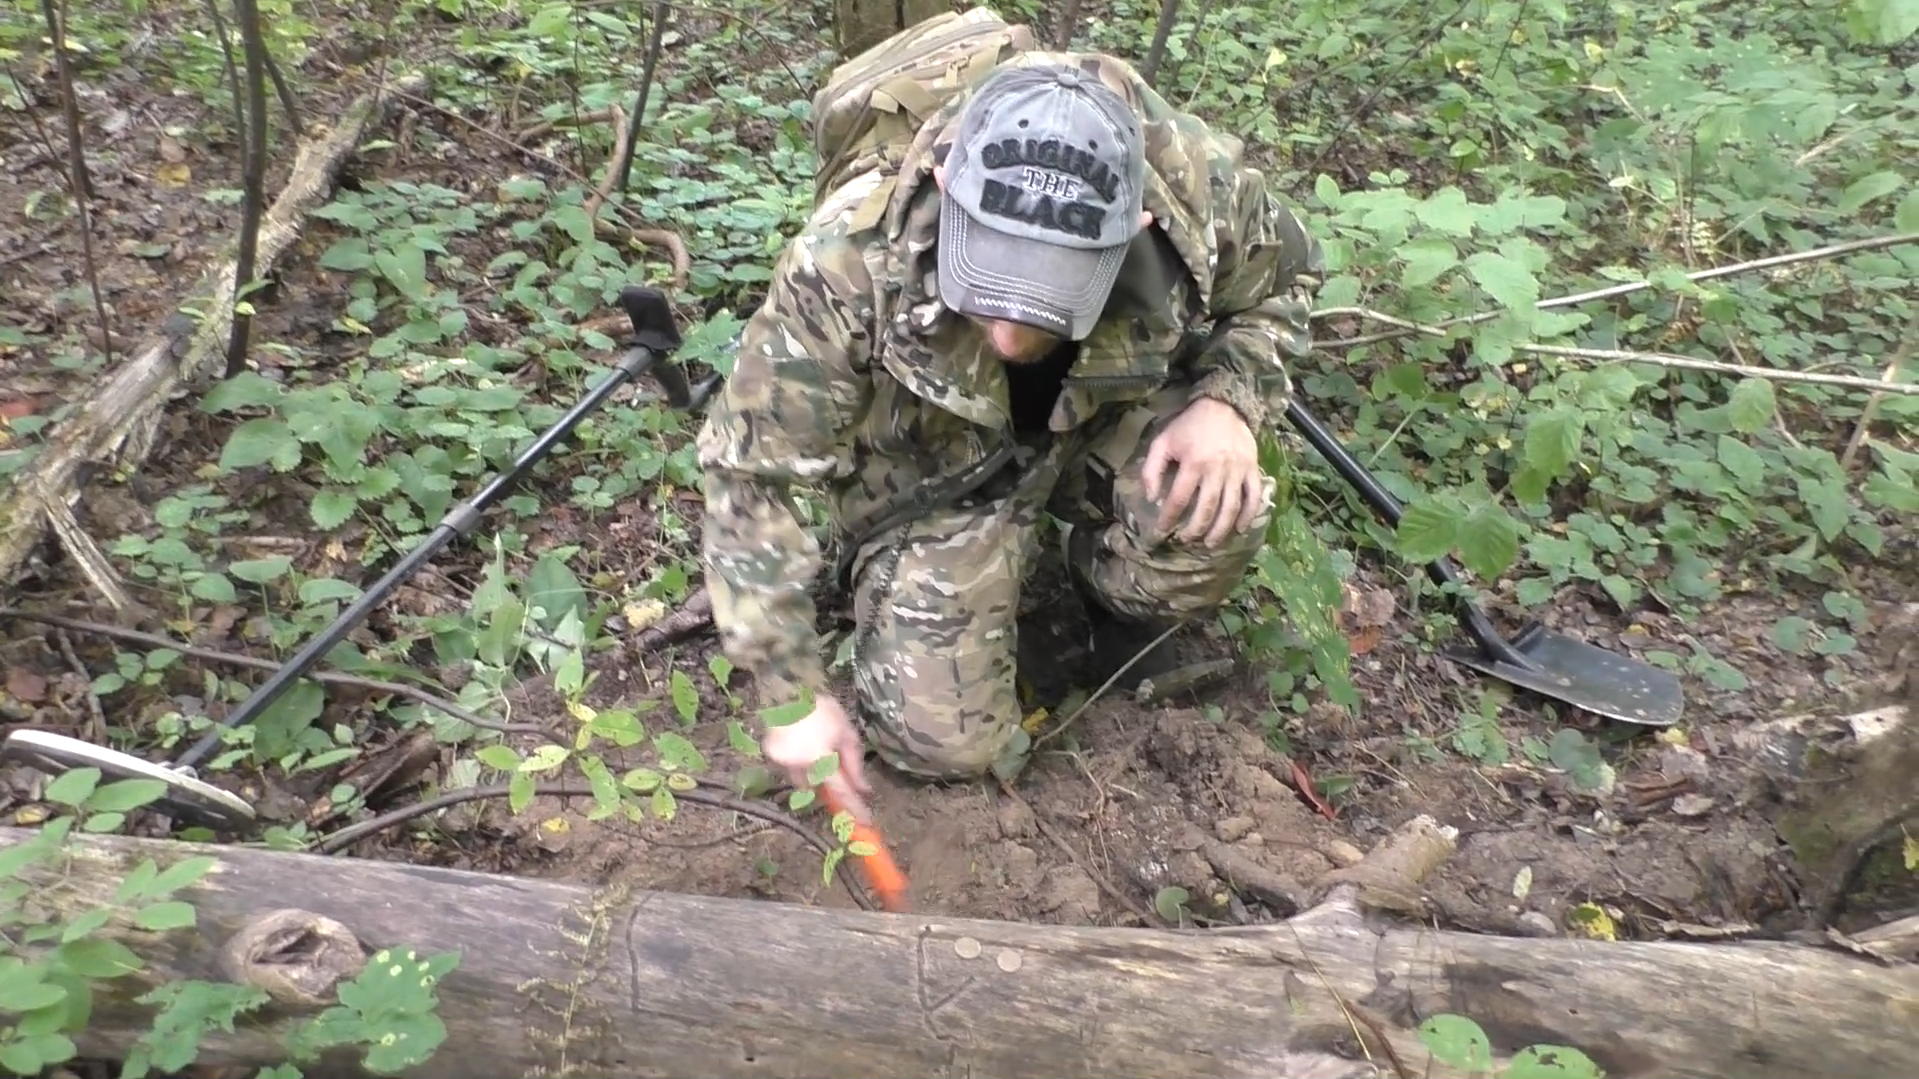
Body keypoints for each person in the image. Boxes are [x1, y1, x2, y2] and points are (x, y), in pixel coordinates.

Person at [695, 51, 1324, 822]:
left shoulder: (1200, 195)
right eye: (986, 276)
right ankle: (930, 576)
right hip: (935, 474)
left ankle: (1112, 605)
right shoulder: (850, 258)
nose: (1003, 330)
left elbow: (1285, 285)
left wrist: (1227, 400)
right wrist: (791, 696)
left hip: (1095, 417)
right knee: (946, 748)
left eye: (1045, 293)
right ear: (946, 182)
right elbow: (752, 472)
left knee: (1220, 504)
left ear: (1133, 228)